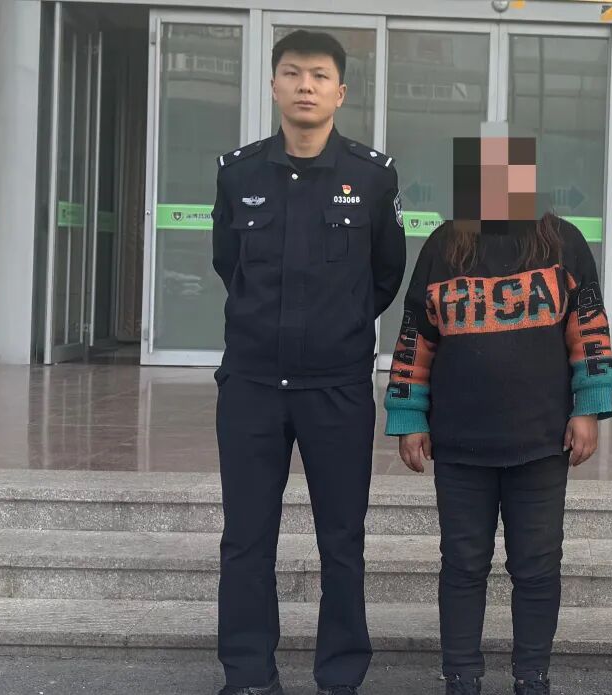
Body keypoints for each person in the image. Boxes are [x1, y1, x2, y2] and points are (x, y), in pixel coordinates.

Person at [384, 122, 612, 695]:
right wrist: (409, 416)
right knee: (463, 565)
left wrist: (588, 408)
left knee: (536, 567)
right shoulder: (444, 246)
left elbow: (589, 330)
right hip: (459, 445)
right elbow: (415, 337)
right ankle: (461, 674)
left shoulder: (562, 243)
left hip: (542, 443)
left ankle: (531, 674)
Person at [211, 30, 405, 695]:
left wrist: (338, 326)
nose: (305, 86)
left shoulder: (373, 176)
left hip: (336, 388)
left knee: (342, 541)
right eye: (292, 73)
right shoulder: (238, 173)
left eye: (320, 75)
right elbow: (227, 264)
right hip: (252, 385)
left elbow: (385, 274)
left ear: (340, 92)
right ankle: (247, 674)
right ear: (273, 85)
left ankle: (340, 676)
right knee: (246, 539)